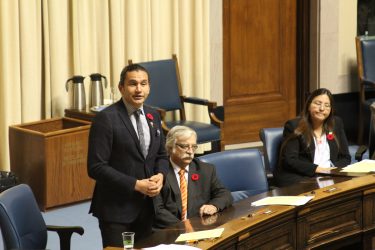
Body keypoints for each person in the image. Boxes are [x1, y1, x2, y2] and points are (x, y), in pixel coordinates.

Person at [87, 64, 169, 247]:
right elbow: (96, 167)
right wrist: (136, 185)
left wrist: (161, 176)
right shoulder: (106, 119)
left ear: (149, 87)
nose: (139, 89)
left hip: (149, 208)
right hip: (117, 210)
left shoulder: (153, 115)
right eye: (133, 84)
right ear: (121, 88)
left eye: (143, 83)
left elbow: (162, 155)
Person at [153, 125, 233, 229]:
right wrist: (184, 227)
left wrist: (213, 206)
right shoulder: (158, 172)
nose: (190, 152)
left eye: (193, 147)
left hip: (199, 229)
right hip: (169, 231)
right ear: (170, 147)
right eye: (184, 146)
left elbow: (225, 194)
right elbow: (157, 211)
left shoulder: (205, 170)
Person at [274, 88, 351, 187]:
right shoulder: (294, 126)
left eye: (327, 105)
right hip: (302, 176)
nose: (322, 108)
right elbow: (290, 160)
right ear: (309, 105)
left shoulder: (336, 124)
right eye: (318, 103)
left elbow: (345, 157)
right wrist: (317, 169)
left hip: (330, 175)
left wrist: (332, 169)